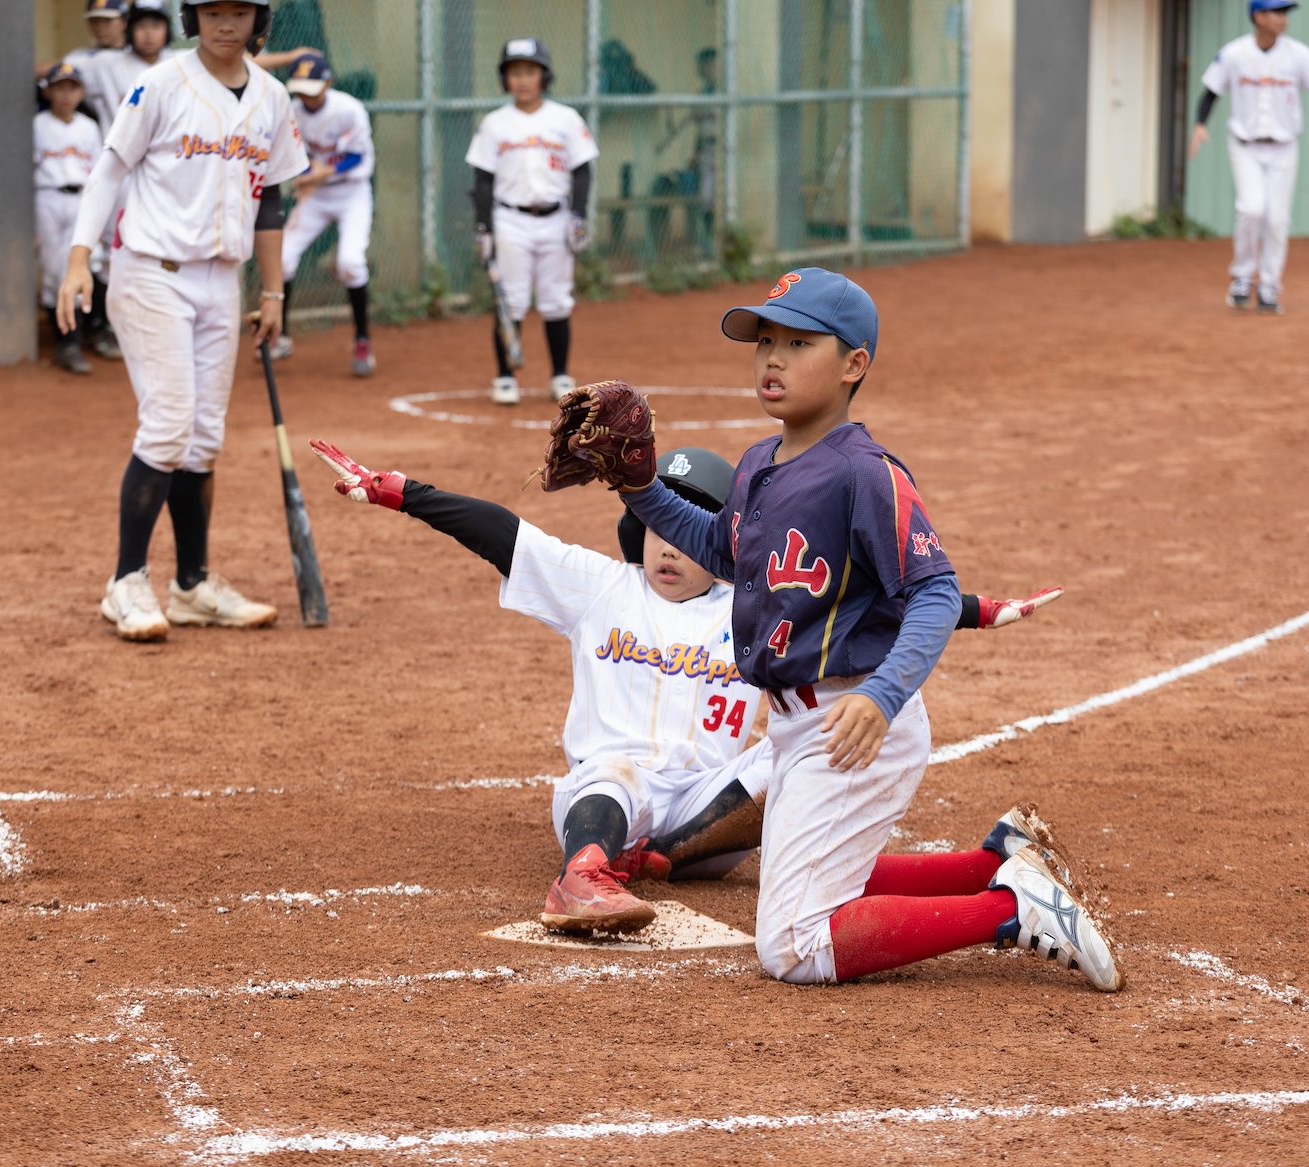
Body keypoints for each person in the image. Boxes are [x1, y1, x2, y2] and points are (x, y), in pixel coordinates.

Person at [589, 268, 1124, 990]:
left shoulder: (865, 473)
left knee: (793, 944)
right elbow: (722, 547)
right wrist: (638, 488)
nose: (772, 358)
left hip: (853, 720)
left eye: (799, 342)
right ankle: (995, 862)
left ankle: (1008, 911)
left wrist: (882, 696)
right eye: (765, 340)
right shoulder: (757, 462)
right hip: (798, 726)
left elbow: (933, 594)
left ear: (853, 364)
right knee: (811, 871)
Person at [308, 437, 1064, 934]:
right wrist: (400, 491)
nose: (669, 547)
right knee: (608, 771)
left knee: (792, 755)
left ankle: (986, 865)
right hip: (613, 799)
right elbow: (504, 532)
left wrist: (979, 609)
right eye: (659, 528)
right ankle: (584, 876)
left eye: (690, 530)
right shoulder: (603, 586)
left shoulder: (758, 600)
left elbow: (875, 600)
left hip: (712, 817)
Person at [56, 0, 308, 643]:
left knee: (202, 438)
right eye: (212, 10)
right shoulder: (162, 82)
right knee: (168, 424)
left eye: (240, 10)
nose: (227, 22)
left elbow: (272, 200)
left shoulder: (273, 98)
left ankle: (192, 585)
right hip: (150, 272)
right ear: (194, 17)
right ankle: (126, 582)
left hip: (222, 280)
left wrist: (274, 292)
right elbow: (109, 168)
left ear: (259, 19)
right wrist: (80, 258)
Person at [1188, 0, 1309, 315]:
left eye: (1285, 13)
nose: (1283, 19)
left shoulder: (1298, 54)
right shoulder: (1235, 53)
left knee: (1277, 218)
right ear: (1258, 17)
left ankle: (1269, 286)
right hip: (1245, 145)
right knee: (1251, 208)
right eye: (1277, 12)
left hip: (1284, 148)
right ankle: (1242, 277)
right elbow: (1210, 90)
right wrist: (1199, 124)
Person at [465, 38, 598, 407]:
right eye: (514, 73)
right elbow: (482, 181)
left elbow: (582, 171)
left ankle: (559, 374)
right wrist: (483, 227)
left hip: (556, 217)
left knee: (556, 299)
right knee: (511, 300)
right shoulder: (495, 124)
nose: (522, 80)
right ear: (505, 79)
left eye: (530, 72)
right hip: (510, 219)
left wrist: (579, 215)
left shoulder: (565, 119)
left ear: (544, 76)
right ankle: (505, 376)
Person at [265, 49, 378, 378]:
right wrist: (303, 177)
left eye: (312, 87)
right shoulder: (293, 111)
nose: (306, 96)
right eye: (300, 88)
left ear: (328, 82)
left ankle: (362, 340)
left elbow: (357, 158)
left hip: (351, 193)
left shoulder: (349, 110)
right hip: (315, 196)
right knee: (282, 259)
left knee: (350, 263)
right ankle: (279, 336)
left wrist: (320, 172)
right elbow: (290, 152)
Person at [34, 63, 105, 376]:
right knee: (53, 270)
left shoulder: (89, 127)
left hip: (81, 199)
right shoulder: (36, 124)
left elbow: (103, 173)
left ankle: (79, 337)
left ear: (82, 92)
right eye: (59, 87)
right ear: (47, 90)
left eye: (72, 87)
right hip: (47, 197)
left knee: (87, 265)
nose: (65, 94)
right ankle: (64, 341)